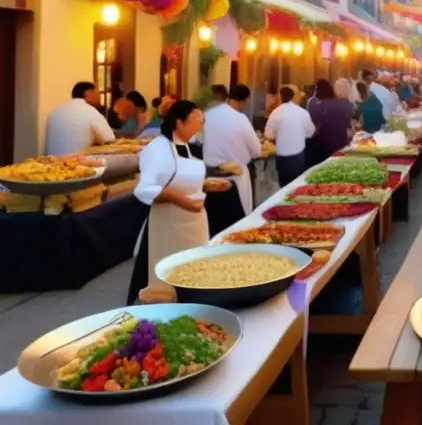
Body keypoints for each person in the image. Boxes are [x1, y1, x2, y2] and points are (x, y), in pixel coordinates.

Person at [126, 100, 208, 305]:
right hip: (169, 222)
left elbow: (182, 178)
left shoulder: (189, 147)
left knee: (193, 270)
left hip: (192, 222)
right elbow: (145, 188)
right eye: (197, 120)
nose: (201, 124)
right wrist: (179, 199)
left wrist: (206, 187)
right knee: (170, 274)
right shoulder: (159, 148)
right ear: (179, 123)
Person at [202, 84, 262, 233]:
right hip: (235, 178)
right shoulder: (241, 119)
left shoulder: (208, 114)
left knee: (212, 223)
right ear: (245, 100)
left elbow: (196, 141)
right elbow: (256, 151)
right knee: (236, 226)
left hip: (209, 176)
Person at [44, 82, 116, 155]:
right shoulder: (89, 110)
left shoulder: (55, 111)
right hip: (77, 163)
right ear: (88, 93)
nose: (99, 98)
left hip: (49, 162)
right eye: (98, 94)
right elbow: (110, 138)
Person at [264, 85, 315, 186]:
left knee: (284, 187)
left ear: (280, 97)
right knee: (297, 186)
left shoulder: (275, 113)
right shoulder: (302, 112)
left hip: (282, 158)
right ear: (293, 97)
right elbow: (311, 132)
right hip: (298, 157)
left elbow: (268, 134)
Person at [307, 78, 352, 166]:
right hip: (340, 143)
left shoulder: (316, 104)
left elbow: (312, 124)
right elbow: (346, 123)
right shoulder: (342, 104)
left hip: (323, 143)